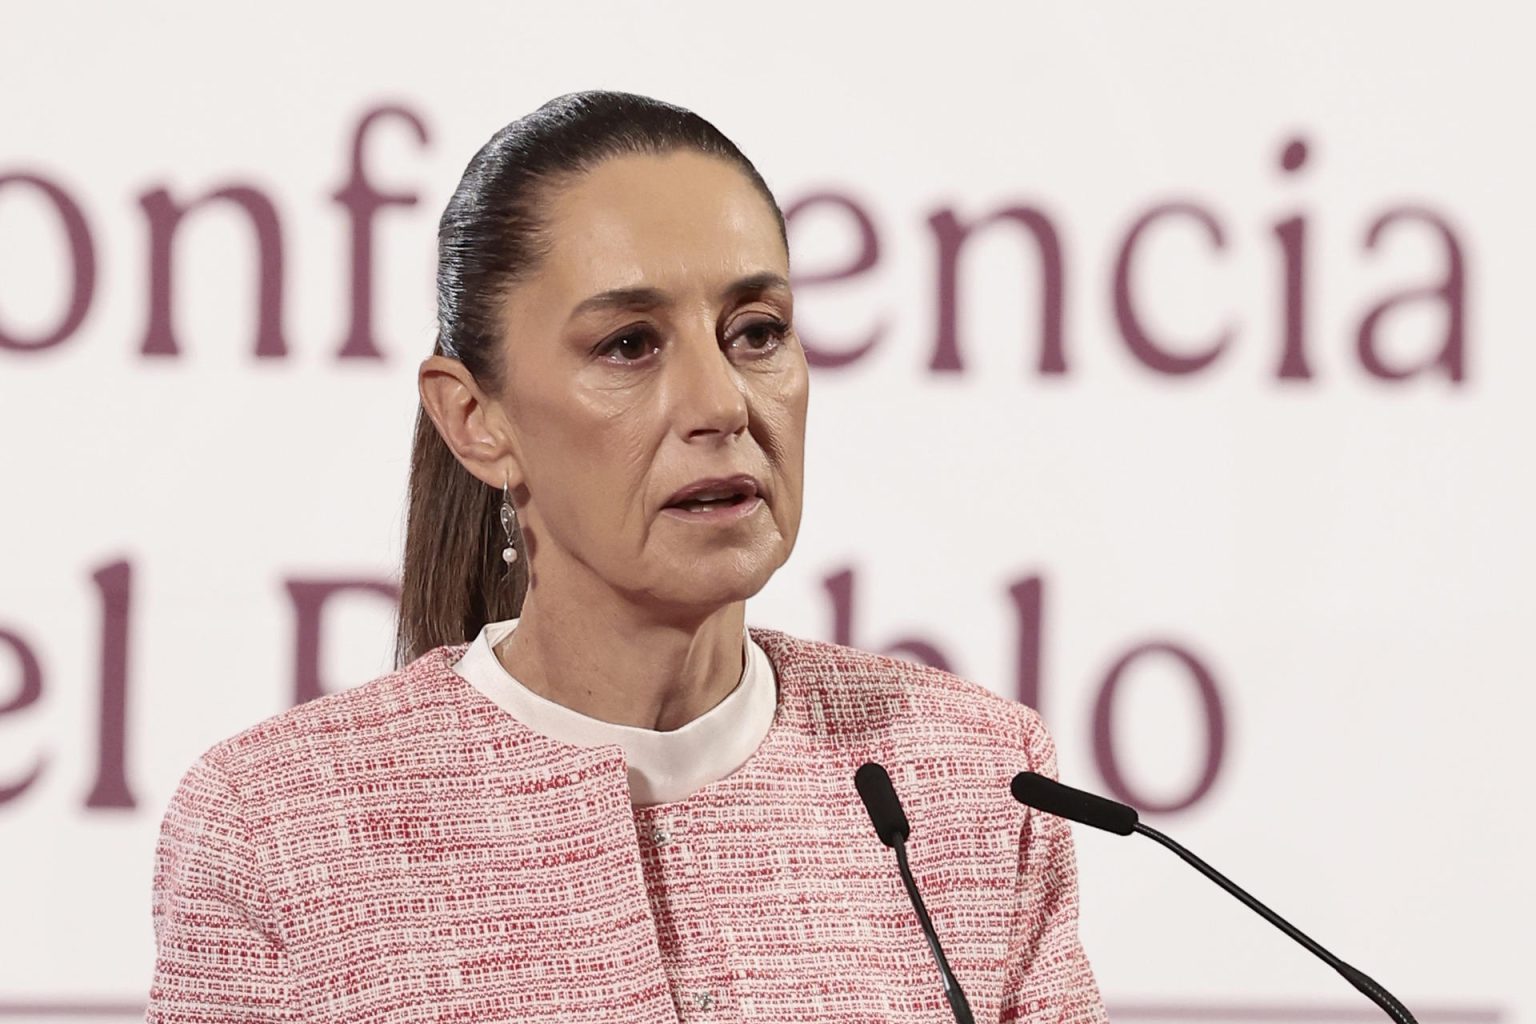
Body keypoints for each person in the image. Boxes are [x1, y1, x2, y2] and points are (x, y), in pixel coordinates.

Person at [146, 91, 1108, 1024]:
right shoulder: (278, 827)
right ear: (474, 420)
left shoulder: (974, 781)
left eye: (757, 333)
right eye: (630, 344)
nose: (722, 404)